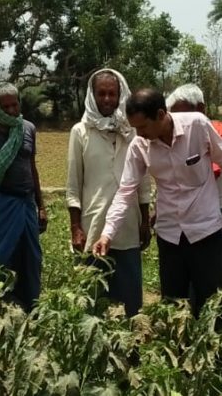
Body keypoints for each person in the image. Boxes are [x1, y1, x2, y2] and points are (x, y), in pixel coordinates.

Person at [92, 88, 222, 318]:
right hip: (170, 235)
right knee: (172, 306)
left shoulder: (197, 126)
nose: (139, 134)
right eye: (135, 128)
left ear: (161, 115)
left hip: (205, 231)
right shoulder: (140, 145)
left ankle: (215, 342)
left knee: (213, 304)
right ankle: (178, 342)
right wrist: (107, 234)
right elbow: (126, 192)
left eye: (143, 127)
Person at [67, 69, 152, 318]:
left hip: (128, 223)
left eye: (112, 94)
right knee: (92, 292)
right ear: (92, 96)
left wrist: (145, 221)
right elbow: (73, 183)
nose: (107, 99)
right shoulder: (80, 132)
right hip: (93, 223)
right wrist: (75, 227)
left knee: (131, 296)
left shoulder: (133, 131)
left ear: (120, 96)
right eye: (101, 94)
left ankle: (133, 335)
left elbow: (143, 179)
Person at [166, 83, 222, 282]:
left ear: (200, 109)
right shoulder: (174, 136)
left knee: (213, 279)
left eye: (182, 114)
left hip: (220, 214)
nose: (179, 122)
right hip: (185, 216)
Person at [0, 82, 45, 312]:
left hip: (26, 203)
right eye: (6, 107)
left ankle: (30, 304)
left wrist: (41, 205)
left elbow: (32, 167)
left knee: (31, 256)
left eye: (15, 105)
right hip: (1, 203)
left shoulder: (28, 128)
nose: (12, 111)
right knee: (1, 254)